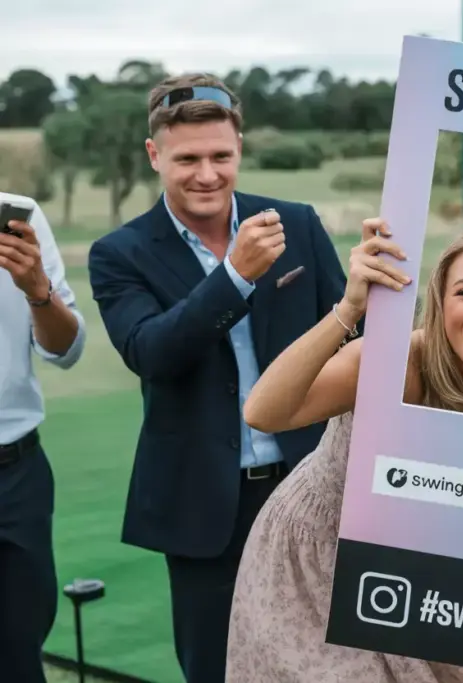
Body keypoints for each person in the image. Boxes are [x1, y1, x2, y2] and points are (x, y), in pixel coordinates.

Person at [224, 219, 463, 683]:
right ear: (440, 304)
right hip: (320, 564)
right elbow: (263, 411)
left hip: (424, 569)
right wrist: (349, 308)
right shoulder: (395, 364)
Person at [87, 73, 350, 683]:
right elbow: (151, 352)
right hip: (202, 506)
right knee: (215, 668)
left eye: (220, 156)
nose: (206, 173)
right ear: (155, 156)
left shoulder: (298, 223)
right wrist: (233, 276)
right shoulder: (119, 254)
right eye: (187, 159)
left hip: (309, 484)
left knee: (333, 661)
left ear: (240, 148)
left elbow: (351, 341)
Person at [0, 193, 87, 683]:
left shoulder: (17, 215)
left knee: (19, 657)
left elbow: (66, 350)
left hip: (16, 476)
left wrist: (36, 290)